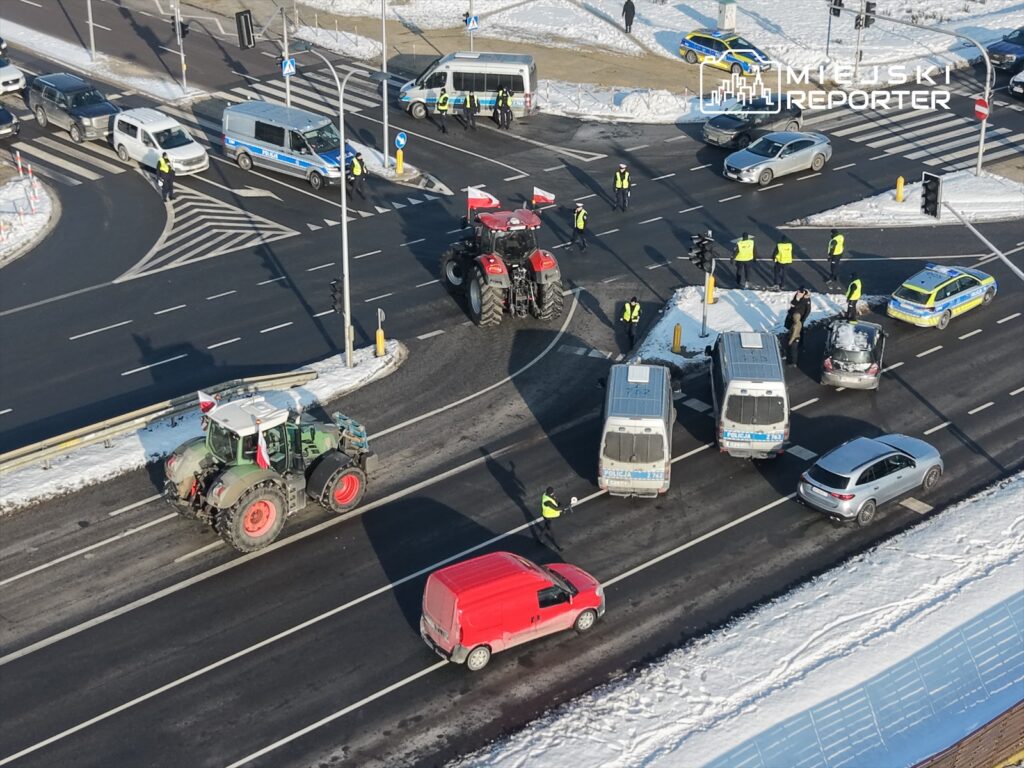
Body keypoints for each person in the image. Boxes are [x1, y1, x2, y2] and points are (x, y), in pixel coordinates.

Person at [540, 486, 567, 551]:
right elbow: (555, 508)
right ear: (551, 493)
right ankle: (558, 546)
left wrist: (561, 506)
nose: (554, 493)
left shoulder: (546, 494)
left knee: (546, 527)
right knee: (552, 532)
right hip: (548, 516)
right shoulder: (547, 501)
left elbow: (556, 501)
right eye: (553, 492)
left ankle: (540, 538)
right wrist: (564, 508)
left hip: (550, 515)